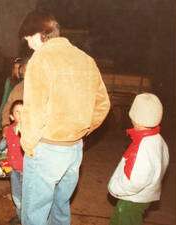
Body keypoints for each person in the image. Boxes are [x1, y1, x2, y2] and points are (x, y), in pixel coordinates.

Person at [18, 10, 110, 225]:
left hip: (46, 149)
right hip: (74, 149)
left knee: (34, 215)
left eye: (28, 37)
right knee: (60, 209)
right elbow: (103, 104)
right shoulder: (85, 59)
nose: (27, 43)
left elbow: (34, 110)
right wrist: (83, 130)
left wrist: (28, 145)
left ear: (41, 34)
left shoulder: (40, 59)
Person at [108, 93, 169, 225]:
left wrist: (115, 188)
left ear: (134, 118)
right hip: (142, 196)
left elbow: (136, 181)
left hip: (133, 199)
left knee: (127, 219)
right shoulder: (158, 140)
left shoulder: (143, 148)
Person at [4, 100, 25, 225]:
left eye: (24, 111)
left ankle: (26, 219)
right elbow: (5, 147)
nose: (21, 114)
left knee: (28, 197)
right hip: (13, 170)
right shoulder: (9, 130)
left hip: (27, 171)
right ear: (12, 116)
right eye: (18, 111)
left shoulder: (31, 131)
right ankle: (20, 216)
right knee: (16, 195)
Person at [0, 58, 28, 135]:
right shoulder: (18, 88)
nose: (28, 72)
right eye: (26, 69)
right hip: (18, 129)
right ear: (22, 71)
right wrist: (5, 125)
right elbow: (7, 107)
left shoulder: (41, 88)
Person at [0, 58, 22, 131]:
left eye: (19, 67)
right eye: (15, 68)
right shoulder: (10, 80)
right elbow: (5, 97)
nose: (17, 70)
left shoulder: (25, 82)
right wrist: (2, 111)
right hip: (11, 111)